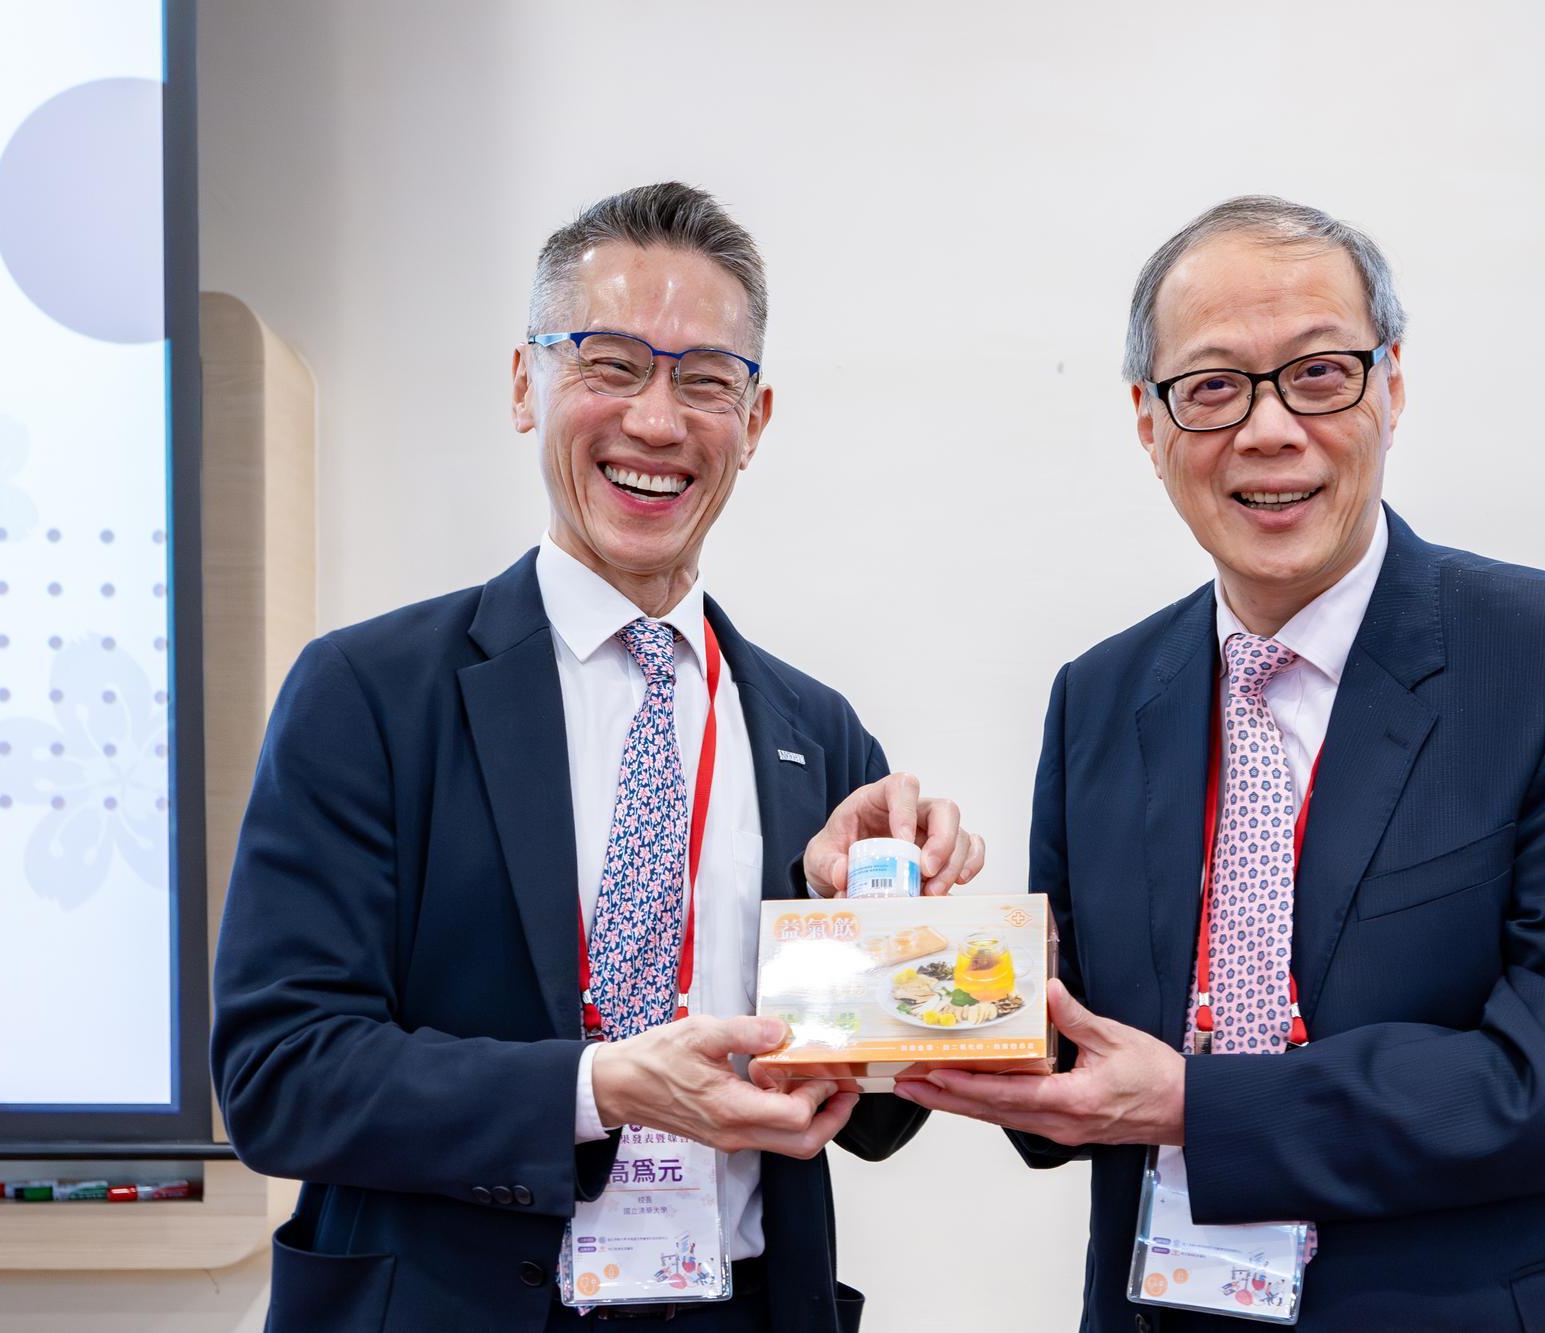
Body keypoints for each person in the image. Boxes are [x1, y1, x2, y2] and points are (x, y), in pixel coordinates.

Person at [895, 196, 1545, 1331]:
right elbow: (1071, 1050)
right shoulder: (1100, 695)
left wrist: (1197, 1106)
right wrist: (885, 934)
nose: (1269, 431)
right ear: (1146, 419)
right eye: (1213, 386)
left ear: (1390, 383)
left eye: (1317, 373)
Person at [211, 183, 983, 1333]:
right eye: (610, 363)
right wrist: (599, 1087)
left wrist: (898, 946)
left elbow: (872, 1116)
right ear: (526, 384)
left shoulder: (813, 736)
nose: (658, 422)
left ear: (755, 420)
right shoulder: (368, 693)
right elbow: (281, 1072)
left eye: (705, 381)